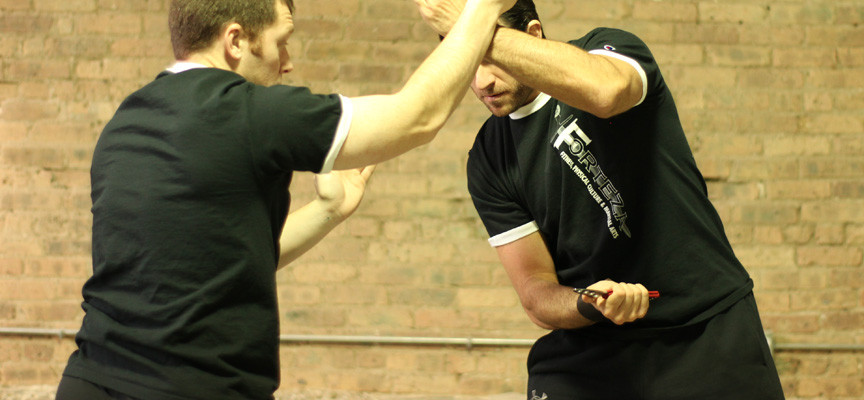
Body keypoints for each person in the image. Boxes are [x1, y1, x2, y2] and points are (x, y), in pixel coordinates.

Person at [55, 0, 515, 399]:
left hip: (88, 382)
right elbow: (417, 116)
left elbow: (221, 260)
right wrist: (484, 9)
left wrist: (327, 211)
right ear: (236, 41)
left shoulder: (127, 119)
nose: (287, 62)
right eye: (282, 42)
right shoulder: (247, 111)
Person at [417, 0, 786, 398]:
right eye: (469, 61)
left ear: (533, 35)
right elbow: (536, 293)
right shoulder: (489, 158)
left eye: (491, 58)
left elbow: (606, 92)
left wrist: (478, 32)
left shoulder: (607, 51)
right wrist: (589, 303)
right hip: (594, 345)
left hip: (704, 325)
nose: (481, 83)